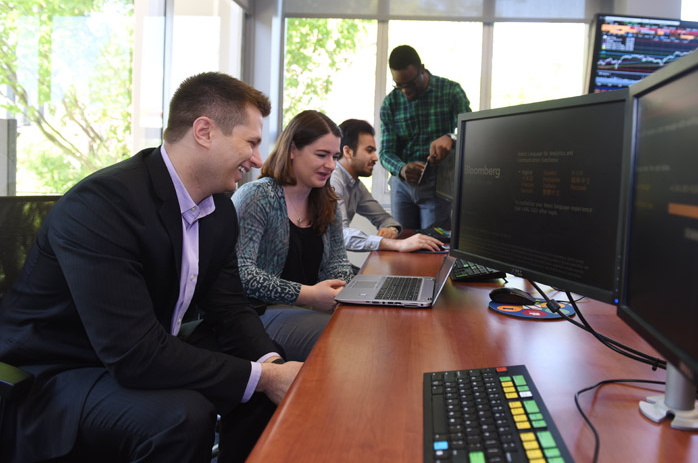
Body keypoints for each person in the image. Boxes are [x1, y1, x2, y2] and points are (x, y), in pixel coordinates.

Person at [0, 72, 301, 463]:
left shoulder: (219, 210)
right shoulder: (103, 205)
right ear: (205, 132)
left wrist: (273, 367)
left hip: (144, 347)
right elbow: (135, 355)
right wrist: (264, 378)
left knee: (267, 378)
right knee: (181, 416)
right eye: (251, 142)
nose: (259, 160)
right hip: (58, 371)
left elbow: (229, 307)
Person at [231, 110, 354, 362]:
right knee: (345, 340)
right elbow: (242, 274)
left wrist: (340, 292)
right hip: (257, 315)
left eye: (335, 156)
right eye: (321, 155)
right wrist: (308, 295)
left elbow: (338, 263)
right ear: (292, 150)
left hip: (308, 309)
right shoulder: (257, 196)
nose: (331, 165)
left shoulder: (327, 200)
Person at [379, 44, 471, 230]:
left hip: (437, 185)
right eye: (399, 85)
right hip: (401, 187)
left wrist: (451, 138)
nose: (405, 91)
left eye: (410, 84)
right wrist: (402, 168)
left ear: (422, 69)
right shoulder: (390, 103)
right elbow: (385, 152)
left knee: (434, 246)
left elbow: (471, 132)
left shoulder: (451, 92)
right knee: (402, 243)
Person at [331, 118, 444, 253]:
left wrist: (391, 229)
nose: (376, 157)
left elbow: (385, 219)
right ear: (348, 151)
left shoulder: (356, 185)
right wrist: (397, 244)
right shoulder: (333, 180)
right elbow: (339, 235)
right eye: (369, 150)